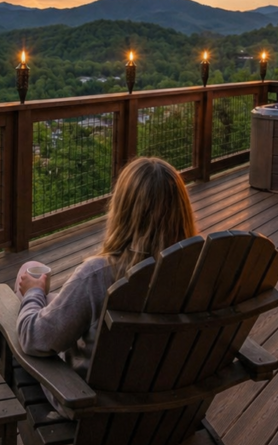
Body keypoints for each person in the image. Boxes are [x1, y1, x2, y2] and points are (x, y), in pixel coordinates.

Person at [15, 156, 197, 379]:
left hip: (87, 398)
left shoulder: (99, 275)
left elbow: (34, 340)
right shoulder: (196, 270)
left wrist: (33, 293)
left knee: (29, 273)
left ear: (123, 211)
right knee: (53, 296)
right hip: (166, 393)